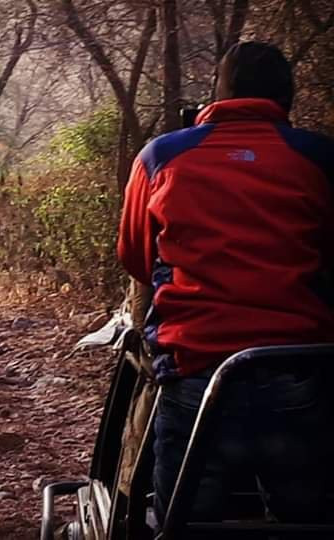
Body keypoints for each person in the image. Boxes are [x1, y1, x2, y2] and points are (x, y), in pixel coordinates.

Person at [117, 41, 334, 529]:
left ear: (220, 91)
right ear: (287, 98)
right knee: (307, 521)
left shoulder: (161, 158)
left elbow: (135, 256)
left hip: (196, 371)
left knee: (184, 523)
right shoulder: (320, 159)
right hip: (300, 373)